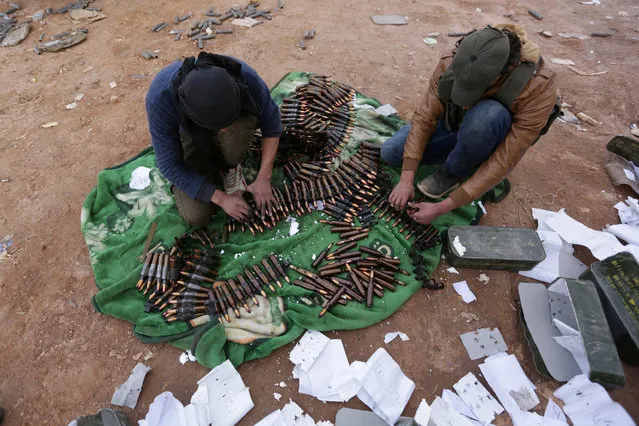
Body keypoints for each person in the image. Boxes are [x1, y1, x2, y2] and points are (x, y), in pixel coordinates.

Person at [381, 24, 559, 224]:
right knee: (391, 152)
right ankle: (460, 149)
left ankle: (455, 171)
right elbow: (425, 118)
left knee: (488, 116)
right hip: (454, 125)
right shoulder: (456, 59)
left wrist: (444, 206)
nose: (465, 103)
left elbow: (506, 158)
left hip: (489, 135)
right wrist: (406, 178)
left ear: (506, 71)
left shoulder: (538, 85)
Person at [146, 52, 282, 226]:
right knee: (196, 216)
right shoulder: (160, 100)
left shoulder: (242, 74)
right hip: (190, 136)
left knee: (236, 130)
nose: (223, 130)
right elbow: (170, 165)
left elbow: (272, 122)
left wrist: (264, 177)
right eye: (219, 127)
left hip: (232, 123)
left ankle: (231, 168)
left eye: (227, 121)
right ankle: (210, 163)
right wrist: (221, 199)